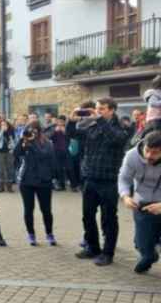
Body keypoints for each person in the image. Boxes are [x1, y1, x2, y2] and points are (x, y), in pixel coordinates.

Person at [68, 97, 130, 266]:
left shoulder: (122, 127)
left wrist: (100, 120)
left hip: (109, 180)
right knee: (87, 216)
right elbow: (72, 134)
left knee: (109, 218)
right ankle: (92, 247)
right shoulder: (92, 125)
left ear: (112, 110)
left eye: (102, 108)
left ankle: (108, 253)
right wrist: (71, 121)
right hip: (90, 178)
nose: (98, 111)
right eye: (97, 108)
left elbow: (116, 139)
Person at [118, 131, 161, 274]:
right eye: (147, 150)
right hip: (141, 203)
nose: (149, 156)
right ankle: (150, 255)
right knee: (140, 243)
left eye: (155, 153)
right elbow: (124, 179)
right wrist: (125, 196)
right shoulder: (132, 156)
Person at [14, 121, 57, 246]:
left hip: (44, 181)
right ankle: (31, 234)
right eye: (29, 129)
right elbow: (16, 154)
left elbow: (42, 155)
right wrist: (22, 140)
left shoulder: (47, 143)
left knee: (46, 210)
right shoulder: (25, 142)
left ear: (39, 130)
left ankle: (49, 233)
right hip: (27, 181)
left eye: (34, 130)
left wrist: (31, 143)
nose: (32, 132)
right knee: (28, 209)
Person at [51, 115, 71, 191]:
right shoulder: (54, 128)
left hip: (66, 150)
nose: (60, 123)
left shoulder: (68, 128)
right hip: (56, 150)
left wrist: (64, 131)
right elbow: (50, 137)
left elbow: (71, 137)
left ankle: (74, 185)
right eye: (59, 121)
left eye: (62, 121)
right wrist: (55, 131)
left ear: (64, 122)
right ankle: (62, 185)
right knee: (59, 169)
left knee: (69, 168)